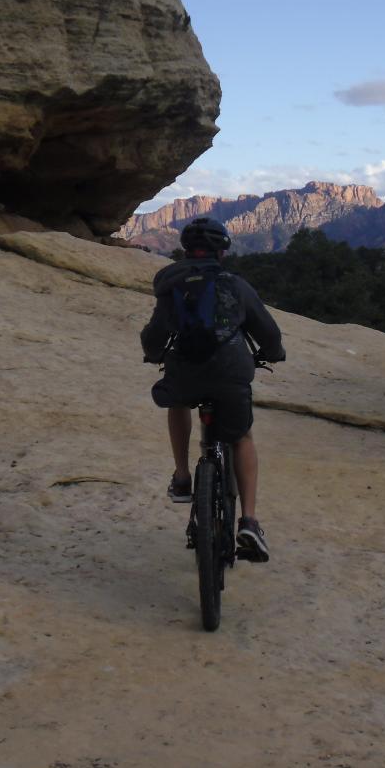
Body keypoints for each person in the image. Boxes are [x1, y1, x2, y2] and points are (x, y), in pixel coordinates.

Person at [141, 217, 285, 563]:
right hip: (231, 369)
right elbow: (268, 331)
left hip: (185, 368)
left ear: (186, 250)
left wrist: (153, 354)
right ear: (222, 251)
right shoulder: (235, 285)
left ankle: (181, 476)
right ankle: (248, 521)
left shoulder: (171, 282)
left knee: (177, 401)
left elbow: (155, 333)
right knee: (241, 437)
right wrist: (273, 354)